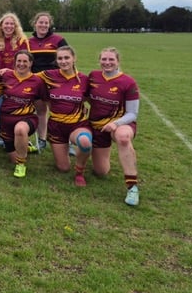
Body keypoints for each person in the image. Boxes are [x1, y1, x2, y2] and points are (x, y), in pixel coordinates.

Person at [88, 47, 141, 206]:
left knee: (123, 138)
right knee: (101, 171)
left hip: (120, 124)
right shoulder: (93, 76)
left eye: (111, 59)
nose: (107, 62)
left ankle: (132, 187)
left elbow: (132, 113)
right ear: (99, 61)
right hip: (98, 126)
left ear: (118, 61)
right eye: (104, 59)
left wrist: (115, 123)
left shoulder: (128, 82)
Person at [37, 46, 92, 182]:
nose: (63, 61)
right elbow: (25, 76)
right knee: (63, 168)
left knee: (85, 142)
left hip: (77, 125)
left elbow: (91, 100)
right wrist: (4, 71)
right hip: (56, 126)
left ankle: (79, 171)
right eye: (60, 58)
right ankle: (65, 148)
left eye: (67, 57)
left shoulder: (84, 79)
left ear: (74, 58)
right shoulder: (48, 75)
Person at [0, 50, 46, 178]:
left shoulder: (37, 81)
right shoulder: (6, 75)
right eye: (19, 61)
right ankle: (26, 147)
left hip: (27, 119)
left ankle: (21, 165)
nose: (21, 64)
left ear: (31, 63)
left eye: (25, 61)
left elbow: (41, 109)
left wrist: (43, 133)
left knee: (20, 130)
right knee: (13, 158)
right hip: (6, 122)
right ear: (14, 62)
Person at [28, 11, 69, 152]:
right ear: (35, 24)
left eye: (46, 23)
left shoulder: (58, 40)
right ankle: (42, 139)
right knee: (41, 111)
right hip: (36, 82)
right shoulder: (28, 42)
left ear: (49, 24)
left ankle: (66, 141)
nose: (43, 25)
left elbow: (67, 59)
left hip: (55, 82)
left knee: (59, 112)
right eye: (41, 22)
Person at [0, 12, 29, 148]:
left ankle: (19, 135)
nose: (9, 26)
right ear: (1, 26)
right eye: (6, 23)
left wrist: (11, 71)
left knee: (17, 110)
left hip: (18, 80)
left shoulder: (22, 40)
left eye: (12, 24)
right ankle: (3, 138)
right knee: (0, 109)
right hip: (1, 81)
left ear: (15, 26)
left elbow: (26, 61)